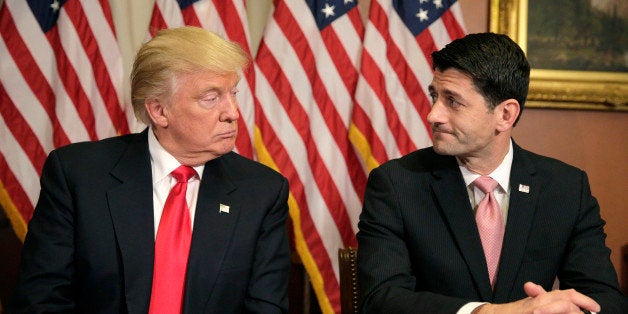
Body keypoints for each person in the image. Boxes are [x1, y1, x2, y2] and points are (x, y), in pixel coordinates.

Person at [8, 27, 290, 313]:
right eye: (211, 98)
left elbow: (266, 308)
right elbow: (39, 301)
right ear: (159, 111)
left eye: (232, 93)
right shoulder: (77, 175)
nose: (232, 112)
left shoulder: (262, 192)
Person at [356, 32, 627, 313]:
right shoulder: (397, 183)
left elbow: (605, 300)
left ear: (505, 115)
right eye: (434, 96)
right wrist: (489, 312)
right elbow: (380, 299)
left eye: (453, 101)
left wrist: (571, 312)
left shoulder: (565, 187)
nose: (433, 115)